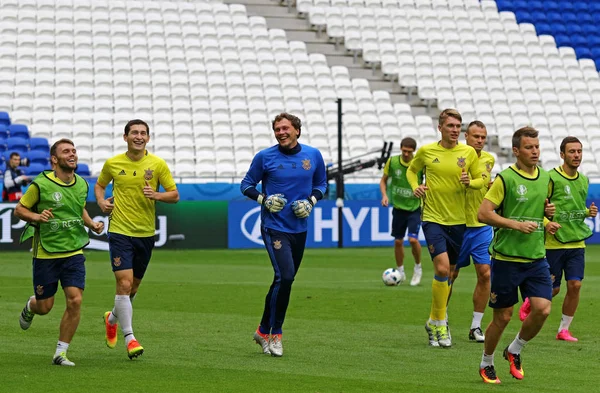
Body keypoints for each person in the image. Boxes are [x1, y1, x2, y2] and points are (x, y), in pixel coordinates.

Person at [241, 113, 327, 357]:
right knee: (285, 276)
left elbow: (321, 185)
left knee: (283, 280)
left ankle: (261, 331)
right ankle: (275, 334)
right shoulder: (264, 157)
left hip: (300, 228)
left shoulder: (313, 155)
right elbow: (246, 184)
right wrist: (264, 200)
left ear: (297, 130)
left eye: (285, 128)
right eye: (277, 129)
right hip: (274, 226)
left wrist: (311, 201)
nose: (281, 132)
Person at [477, 127, 557, 384]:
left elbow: (538, 211)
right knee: (502, 316)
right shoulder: (505, 179)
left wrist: (548, 218)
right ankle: (486, 362)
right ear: (516, 151)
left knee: (543, 310)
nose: (535, 151)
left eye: (537, 146)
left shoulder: (545, 178)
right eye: (528, 147)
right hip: (506, 259)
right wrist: (516, 224)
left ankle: (515, 349)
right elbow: (484, 213)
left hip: (536, 258)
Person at [95, 119, 179, 360]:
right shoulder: (113, 163)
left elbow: (174, 195)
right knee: (123, 284)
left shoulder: (157, 164)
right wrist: (101, 202)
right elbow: (99, 186)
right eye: (134, 133)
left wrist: (157, 195)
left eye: (143, 133)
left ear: (148, 138)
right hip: (120, 230)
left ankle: (111, 318)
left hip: (145, 233)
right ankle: (130, 338)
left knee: (132, 288)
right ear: (125, 137)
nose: (139, 136)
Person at [16, 138, 104, 366]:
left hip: (74, 251)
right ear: (54, 159)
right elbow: (20, 209)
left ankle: (60, 352)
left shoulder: (82, 184)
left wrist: (91, 224)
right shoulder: (41, 184)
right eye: (66, 151)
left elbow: (78, 208)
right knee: (45, 307)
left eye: (74, 150)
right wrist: (36, 216)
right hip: (46, 252)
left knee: (75, 300)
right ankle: (31, 305)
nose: (72, 154)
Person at [407, 109, 484, 348]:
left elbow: (480, 178)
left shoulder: (468, 152)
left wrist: (470, 183)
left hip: (458, 221)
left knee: (450, 273)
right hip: (432, 218)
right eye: (450, 125)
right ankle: (440, 323)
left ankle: (432, 320)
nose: (455, 129)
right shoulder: (427, 151)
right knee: (441, 268)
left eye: (458, 126)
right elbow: (412, 170)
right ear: (440, 128)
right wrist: (415, 187)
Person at [519, 136, 597, 341]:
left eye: (579, 151)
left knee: (576, 285)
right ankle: (529, 300)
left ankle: (564, 329)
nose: (576, 155)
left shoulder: (583, 179)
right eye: (572, 151)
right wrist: (546, 221)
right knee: (553, 288)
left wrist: (587, 213)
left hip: (576, 241)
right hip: (553, 242)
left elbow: (574, 208)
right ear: (562, 154)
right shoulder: (550, 178)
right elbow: (538, 207)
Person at [448, 121, 495, 343]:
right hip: (456, 223)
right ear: (466, 136)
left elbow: (482, 182)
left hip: (480, 224)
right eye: (475, 136)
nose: (479, 140)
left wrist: (471, 182)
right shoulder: (454, 157)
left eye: (482, 137)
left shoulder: (488, 159)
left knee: (485, 273)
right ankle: (441, 319)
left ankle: (476, 326)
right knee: (450, 274)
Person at [379, 137, 423, 286]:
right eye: (404, 151)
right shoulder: (393, 162)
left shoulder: (418, 163)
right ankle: (401, 271)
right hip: (398, 208)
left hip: (414, 208)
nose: (406, 154)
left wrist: (422, 188)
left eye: (409, 152)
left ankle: (418, 268)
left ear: (413, 151)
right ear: (401, 148)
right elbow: (383, 180)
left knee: (413, 239)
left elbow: (427, 181)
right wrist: (385, 195)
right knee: (398, 241)